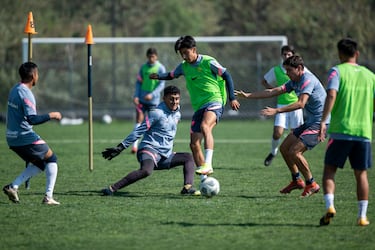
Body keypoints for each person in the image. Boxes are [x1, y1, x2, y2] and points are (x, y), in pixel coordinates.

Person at [235, 55, 329, 198]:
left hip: (321, 122)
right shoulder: (294, 80)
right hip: (310, 122)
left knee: (295, 152)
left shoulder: (307, 80)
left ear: (299, 69)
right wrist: (248, 95)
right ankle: (297, 180)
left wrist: (276, 110)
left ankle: (312, 184)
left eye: (289, 70)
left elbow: (300, 104)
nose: (287, 73)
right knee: (285, 148)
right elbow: (273, 91)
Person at [150, 35, 240, 177]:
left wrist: (232, 98)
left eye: (186, 53)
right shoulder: (184, 67)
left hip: (214, 101)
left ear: (194, 49)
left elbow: (227, 75)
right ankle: (205, 180)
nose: (184, 57)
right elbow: (171, 75)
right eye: (181, 54)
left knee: (205, 126)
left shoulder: (208, 62)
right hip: (199, 106)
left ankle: (208, 164)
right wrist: (158, 76)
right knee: (194, 144)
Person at [101, 85, 200, 196]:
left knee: (188, 157)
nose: (174, 102)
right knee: (146, 171)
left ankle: (187, 187)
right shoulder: (156, 113)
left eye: (177, 99)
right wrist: (121, 147)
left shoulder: (177, 113)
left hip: (165, 155)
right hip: (148, 149)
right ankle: (112, 189)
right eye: (171, 98)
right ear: (164, 98)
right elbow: (139, 131)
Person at [318, 38, 375, 226]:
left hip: (340, 131)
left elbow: (332, 94)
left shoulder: (337, 71)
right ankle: (362, 216)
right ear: (357, 54)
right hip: (363, 133)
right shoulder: (370, 75)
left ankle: (330, 206)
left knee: (329, 171)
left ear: (339, 54)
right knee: (361, 175)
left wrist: (324, 121)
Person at [3, 62, 62, 205]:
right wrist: (52, 115)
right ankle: (48, 197)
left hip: (11, 138)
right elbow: (32, 119)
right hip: (24, 136)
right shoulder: (26, 93)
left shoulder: (14, 89)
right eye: (38, 74)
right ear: (34, 76)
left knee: (40, 163)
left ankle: (13, 186)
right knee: (52, 159)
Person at [261, 45, 304, 166]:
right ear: (281, 56)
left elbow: (307, 80)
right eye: (284, 54)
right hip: (281, 106)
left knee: (295, 134)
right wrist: (274, 90)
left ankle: (295, 156)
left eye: (289, 54)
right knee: (277, 133)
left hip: (296, 106)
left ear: (293, 55)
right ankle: (273, 152)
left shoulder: (300, 70)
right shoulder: (277, 70)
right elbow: (264, 81)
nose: (286, 56)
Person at [131, 47, 166, 153]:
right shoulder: (143, 68)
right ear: (147, 57)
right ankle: (134, 146)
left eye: (153, 56)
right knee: (139, 120)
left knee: (152, 123)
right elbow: (138, 83)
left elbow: (162, 84)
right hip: (141, 100)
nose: (151, 58)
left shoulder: (160, 68)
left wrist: (152, 94)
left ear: (156, 57)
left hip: (153, 101)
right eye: (150, 56)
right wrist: (136, 96)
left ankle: (153, 145)